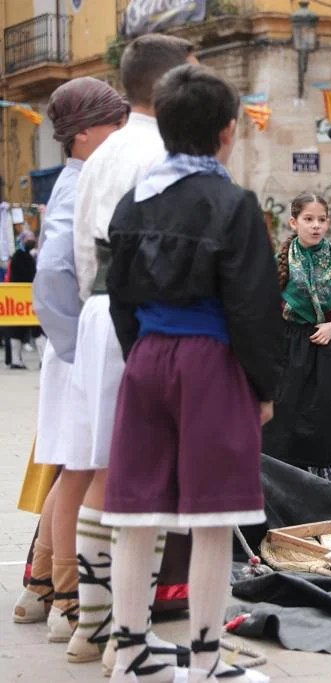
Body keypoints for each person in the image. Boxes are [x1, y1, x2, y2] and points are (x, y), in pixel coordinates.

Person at [104, 63, 281, 683]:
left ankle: (130, 656)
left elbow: (118, 296)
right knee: (212, 518)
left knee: (135, 515)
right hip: (211, 361)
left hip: (147, 357)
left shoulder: (133, 200)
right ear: (227, 131)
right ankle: (206, 663)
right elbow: (253, 305)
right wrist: (262, 386)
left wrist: (141, 356)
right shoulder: (233, 204)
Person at [68, 32, 197, 667]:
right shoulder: (166, 152)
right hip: (141, 316)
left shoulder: (104, 151)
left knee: (105, 469)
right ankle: (127, 634)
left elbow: (79, 251)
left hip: (99, 312)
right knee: (144, 478)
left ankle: (90, 628)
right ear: (171, 84)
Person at [12, 78, 127, 643]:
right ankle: (68, 601)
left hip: (78, 344)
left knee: (75, 467)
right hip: (80, 346)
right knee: (81, 468)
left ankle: (43, 589)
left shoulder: (82, 178)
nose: (121, 132)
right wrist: (78, 348)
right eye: (112, 124)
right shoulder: (80, 182)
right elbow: (54, 272)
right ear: (83, 133)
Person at [262, 192, 331, 483]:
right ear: (293, 222)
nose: (316, 225)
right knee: (281, 422)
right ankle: (278, 487)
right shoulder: (279, 261)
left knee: (323, 423)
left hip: (324, 352)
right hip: (285, 352)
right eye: (308, 219)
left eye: (322, 219)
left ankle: (322, 490)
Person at [6, 231, 37, 369]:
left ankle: (16, 360)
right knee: (22, 330)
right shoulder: (20, 256)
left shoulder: (26, 256)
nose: (32, 241)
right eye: (29, 239)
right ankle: (15, 360)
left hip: (25, 298)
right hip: (21, 299)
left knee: (28, 330)